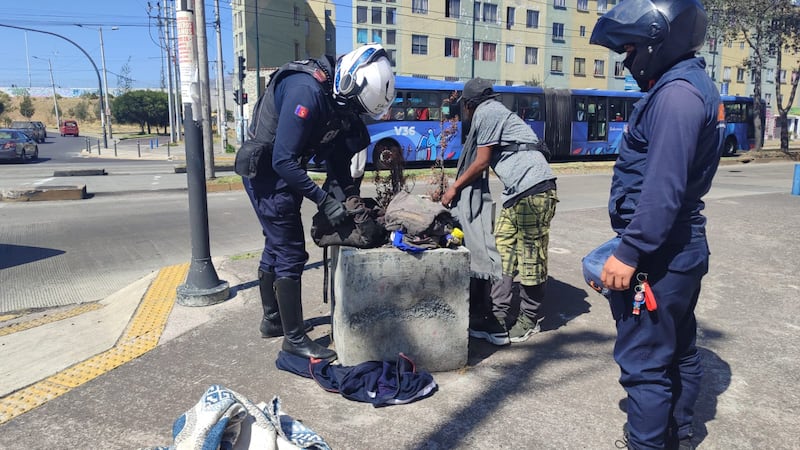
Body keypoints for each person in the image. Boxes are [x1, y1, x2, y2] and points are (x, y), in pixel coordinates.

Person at [590, 0, 723, 448]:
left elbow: (661, 190)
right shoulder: (690, 86)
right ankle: (677, 436)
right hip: (678, 247)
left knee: (645, 363)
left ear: (657, 39)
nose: (627, 59)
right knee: (678, 349)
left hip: (659, 254)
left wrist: (628, 253)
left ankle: (647, 442)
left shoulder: (676, 96)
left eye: (629, 48)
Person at [237, 44, 395, 362]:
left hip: (283, 172)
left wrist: (346, 197)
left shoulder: (335, 94)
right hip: (268, 175)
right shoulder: (306, 91)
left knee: (275, 246)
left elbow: (337, 156)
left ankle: (273, 320)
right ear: (349, 82)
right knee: (291, 252)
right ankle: (294, 339)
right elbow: (283, 160)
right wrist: (324, 201)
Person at [440, 78, 558, 346]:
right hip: (515, 193)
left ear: (469, 105)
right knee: (500, 252)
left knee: (531, 257)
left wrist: (453, 189)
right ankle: (499, 315)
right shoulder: (493, 111)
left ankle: (529, 319)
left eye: (464, 108)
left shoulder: (488, 112)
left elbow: (481, 162)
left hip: (535, 190)